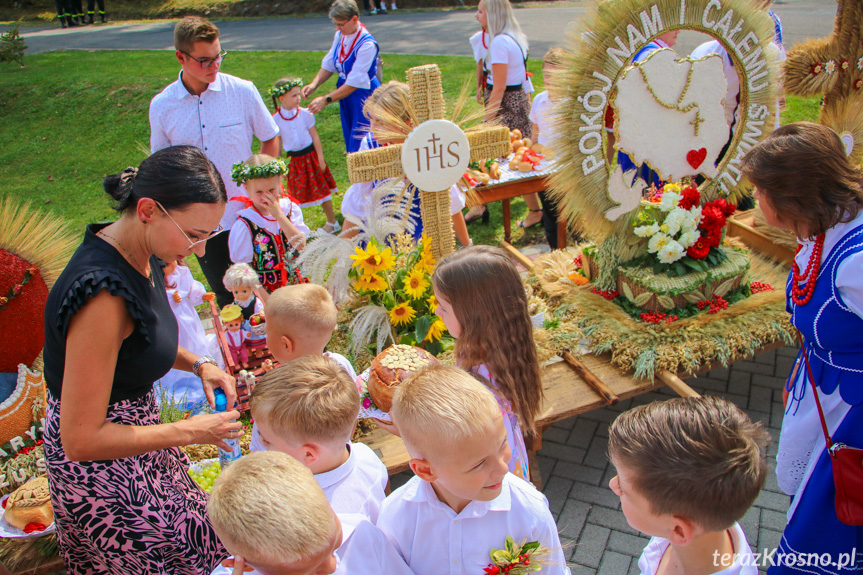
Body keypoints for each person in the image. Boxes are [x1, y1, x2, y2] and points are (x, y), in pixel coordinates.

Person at [42, 146, 242, 574]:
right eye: (193, 234)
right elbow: (80, 440)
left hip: (140, 442)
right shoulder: (102, 295)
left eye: (208, 234)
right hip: (104, 473)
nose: (202, 250)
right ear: (149, 209)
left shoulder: (144, 248)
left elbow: (140, 338)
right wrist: (188, 432)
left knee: (199, 541)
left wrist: (199, 364)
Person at [741, 122, 863, 574]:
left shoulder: (856, 261)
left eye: (760, 192)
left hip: (850, 413)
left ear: (791, 197)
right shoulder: (823, 228)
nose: (756, 201)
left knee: (829, 520)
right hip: (822, 390)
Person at [378, 364, 569, 575]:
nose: (503, 468)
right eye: (479, 464)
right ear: (425, 471)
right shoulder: (395, 520)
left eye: (503, 444)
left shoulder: (529, 511)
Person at [149, 16, 280, 308]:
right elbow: (163, 169)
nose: (215, 65)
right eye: (205, 60)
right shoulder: (162, 106)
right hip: (202, 226)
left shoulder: (242, 91)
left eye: (219, 56)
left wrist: (264, 189)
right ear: (180, 57)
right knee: (230, 299)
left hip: (250, 216)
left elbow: (270, 137)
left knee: (272, 289)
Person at [608, 396, 769, 575]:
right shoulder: (699, 518)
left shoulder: (688, 517)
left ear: (679, 531)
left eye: (624, 488)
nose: (613, 485)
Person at [431, 245, 542, 481]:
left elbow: (457, 435)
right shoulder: (504, 342)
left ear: (473, 315)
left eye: (443, 307)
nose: (437, 313)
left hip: (492, 475)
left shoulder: (480, 379)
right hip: (505, 459)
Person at [207, 451, 413, 575]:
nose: (332, 566)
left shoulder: (361, 533)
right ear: (244, 566)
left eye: (334, 546)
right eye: (314, 572)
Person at [250, 355, 388, 522]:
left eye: (266, 440)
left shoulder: (301, 513)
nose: (261, 443)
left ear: (309, 455)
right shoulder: (365, 455)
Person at [340, 81, 471, 246]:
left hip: (422, 233)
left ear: (406, 122)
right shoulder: (370, 146)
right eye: (371, 119)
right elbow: (358, 202)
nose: (372, 129)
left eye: (380, 122)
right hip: (381, 234)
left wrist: (467, 245)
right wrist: (342, 259)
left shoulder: (427, 147)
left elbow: (450, 203)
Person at [248, 283, 358, 449]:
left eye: (267, 331)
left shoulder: (273, 394)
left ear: (286, 344)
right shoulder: (341, 364)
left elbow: (259, 450)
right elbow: (353, 414)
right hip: (336, 456)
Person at [467, 0, 543, 229]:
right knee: (516, 158)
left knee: (509, 158)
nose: (476, 16)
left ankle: (534, 210)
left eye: (480, 11)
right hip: (516, 101)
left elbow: (499, 87)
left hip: (506, 107)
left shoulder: (500, 42)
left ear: (492, 13)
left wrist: (488, 121)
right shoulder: (514, 36)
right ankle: (480, 204)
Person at [302, 0, 381, 153]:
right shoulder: (340, 35)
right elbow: (330, 62)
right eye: (336, 24)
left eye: (341, 24)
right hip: (346, 95)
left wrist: (326, 99)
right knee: (350, 136)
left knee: (362, 142)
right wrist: (314, 84)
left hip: (364, 97)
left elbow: (355, 82)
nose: (338, 28)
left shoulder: (367, 44)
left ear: (354, 19)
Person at [228, 154, 310, 292]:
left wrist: (279, 215)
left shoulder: (290, 210)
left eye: (271, 190)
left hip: (298, 285)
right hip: (267, 291)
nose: (266, 196)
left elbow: (302, 245)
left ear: (279, 182)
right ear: (246, 189)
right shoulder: (245, 224)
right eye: (259, 192)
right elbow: (244, 270)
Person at [270, 78, 341, 234]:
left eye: (298, 94)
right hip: (294, 161)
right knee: (295, 195)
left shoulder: (305, 114)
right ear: (281, 98)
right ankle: (297, 228)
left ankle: (332, 221)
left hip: (311, 157)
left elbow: (314, 136)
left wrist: (320, 158)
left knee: (322, 190)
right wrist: (279, 166)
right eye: (294, 96)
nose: (298, 98)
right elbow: (278, 145)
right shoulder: (275, 119)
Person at [614, 30, 680, 188]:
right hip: (649, 137)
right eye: (673, 27)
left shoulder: (649, 50)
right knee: (648, 195)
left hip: (642, 133)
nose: (678, 30)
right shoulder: (655, 54)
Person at [157, 257, 224, 413]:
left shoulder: (182, 272)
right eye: (165, 266)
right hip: (172, 318)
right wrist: (170, 298)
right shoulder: (157, 279)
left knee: (195, 341)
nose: (169, 268)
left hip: (186, 317)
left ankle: (199, 364)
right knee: (178, 343)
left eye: (170, 262)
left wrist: (201, 295)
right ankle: (179, 375)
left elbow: (191, 286)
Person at [529, 47, 567, 249]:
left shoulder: (572, 103)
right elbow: (535, 131)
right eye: (546, 75)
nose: (550, 80)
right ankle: (554, 250)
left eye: (555, 76)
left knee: (568, 214)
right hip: (544, 167)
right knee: (550, 211)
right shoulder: (539, 100)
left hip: (566, 168)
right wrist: (532, 148)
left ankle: (572, 250)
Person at [469, 23, 489, 104]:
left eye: (481, 12)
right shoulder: (479, 38)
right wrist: (478, 87)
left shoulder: (503, 37)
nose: (477, 15)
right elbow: (480, 63)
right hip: (487, 79)